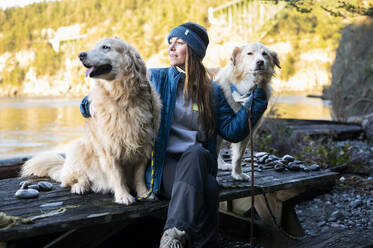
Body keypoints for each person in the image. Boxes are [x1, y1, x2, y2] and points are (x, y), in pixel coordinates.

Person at [80, 22, 268, 248]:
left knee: (197, 153)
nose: (171, 48)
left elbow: (233, 131)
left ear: (195, 51)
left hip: (197, 161)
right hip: (165, 167)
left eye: (179, 43)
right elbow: (119, 89)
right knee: (208, 187)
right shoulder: (156, 79)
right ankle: (202, 242)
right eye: (170, 43)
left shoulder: (212, 91)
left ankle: (173, 234)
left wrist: (257, 100)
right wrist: (87, 104)